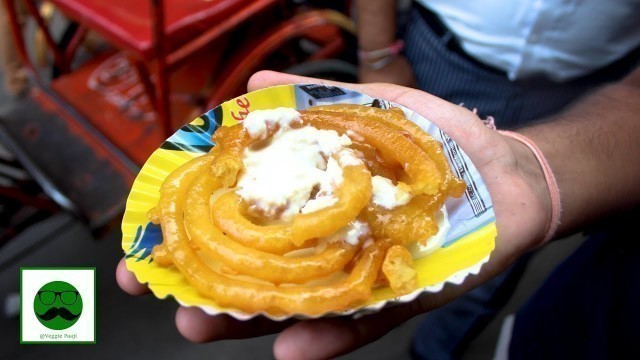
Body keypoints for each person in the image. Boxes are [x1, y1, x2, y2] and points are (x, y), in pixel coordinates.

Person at [116, 67, 640, 359]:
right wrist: (532, 171)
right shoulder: (221, 177)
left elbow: (428, 179)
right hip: (571, 320)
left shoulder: (373, 190)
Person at [354, 1, 640, 357]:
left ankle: (433, 349)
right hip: (442, 52)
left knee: (502, 247)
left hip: (589, 84)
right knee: (381, 167)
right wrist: (377, 53)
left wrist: (539, 176)